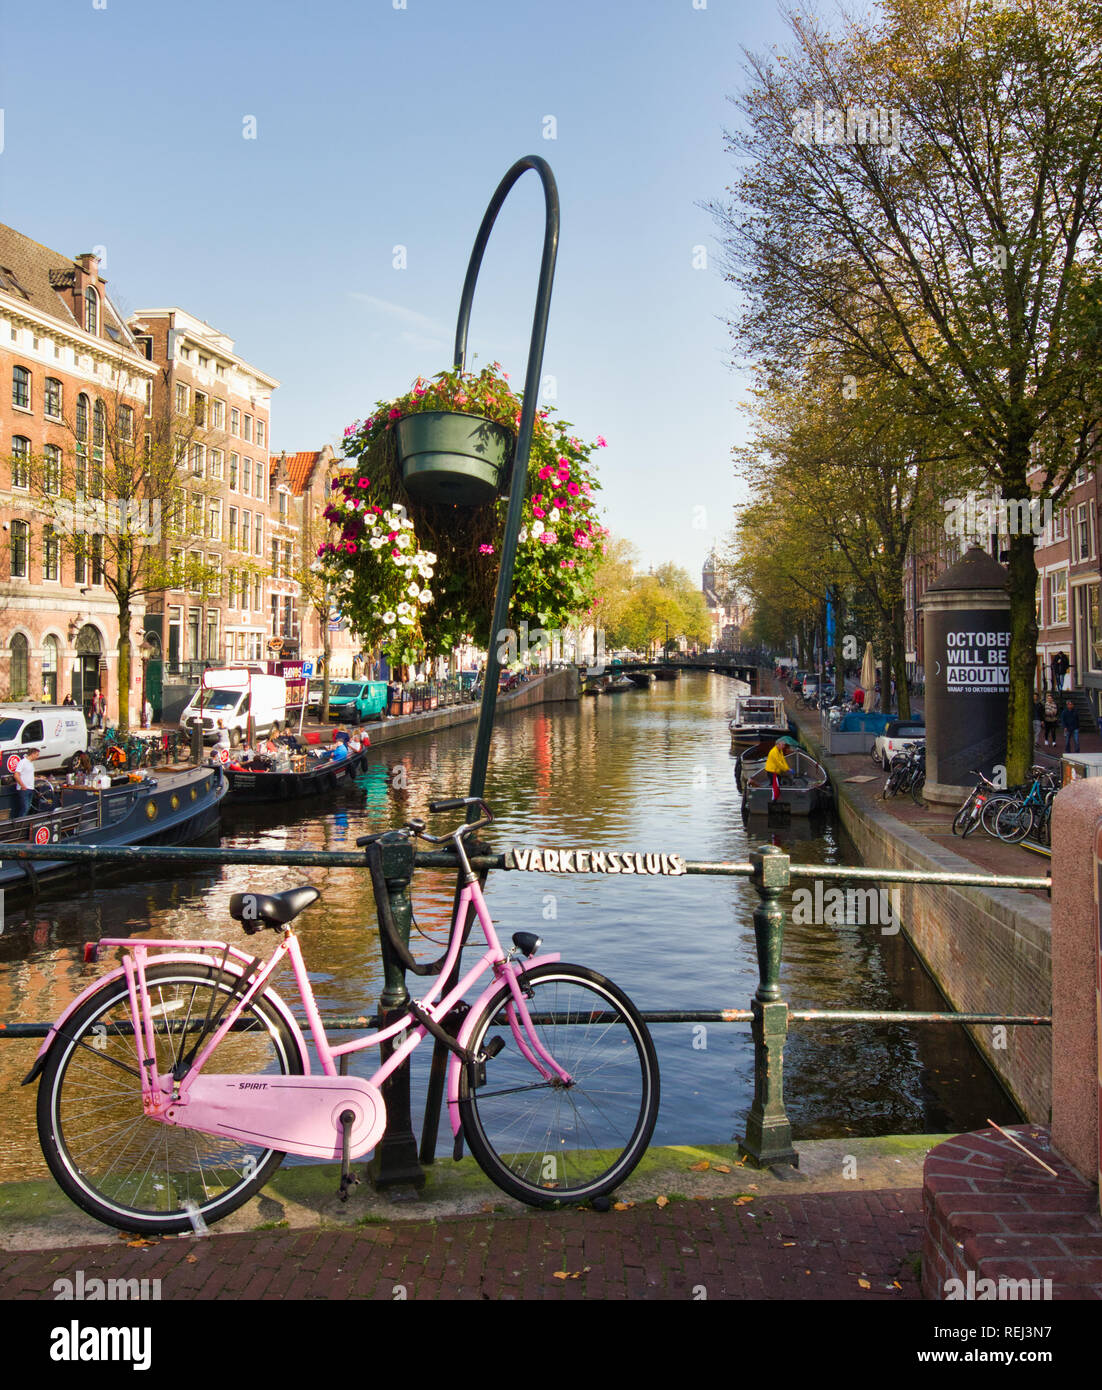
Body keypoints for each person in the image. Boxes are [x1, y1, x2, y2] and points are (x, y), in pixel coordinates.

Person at [13, 747, 40, 819]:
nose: (38, 757)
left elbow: (29, 776)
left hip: (30, 788)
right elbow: (16, 775)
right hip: (24, 789)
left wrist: (39, 778)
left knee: (28, 807)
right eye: (37, 755)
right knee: (25, 807)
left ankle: (23, 822)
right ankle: (19, 824)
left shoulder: (31, 763)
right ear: (32, 754)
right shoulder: (22, 762)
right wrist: (23, 786)